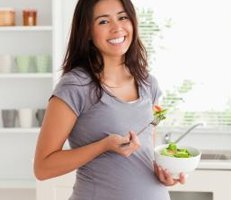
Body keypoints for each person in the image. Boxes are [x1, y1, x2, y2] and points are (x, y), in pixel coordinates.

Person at [33, 0, 185, 199]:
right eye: (103, 21)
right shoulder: (75, 86)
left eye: (122, 17)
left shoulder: (149, 85)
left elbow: (144, 154)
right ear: (87, 31)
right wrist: (103, 145)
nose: (117, 27)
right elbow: (43, 167)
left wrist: (162, 173)